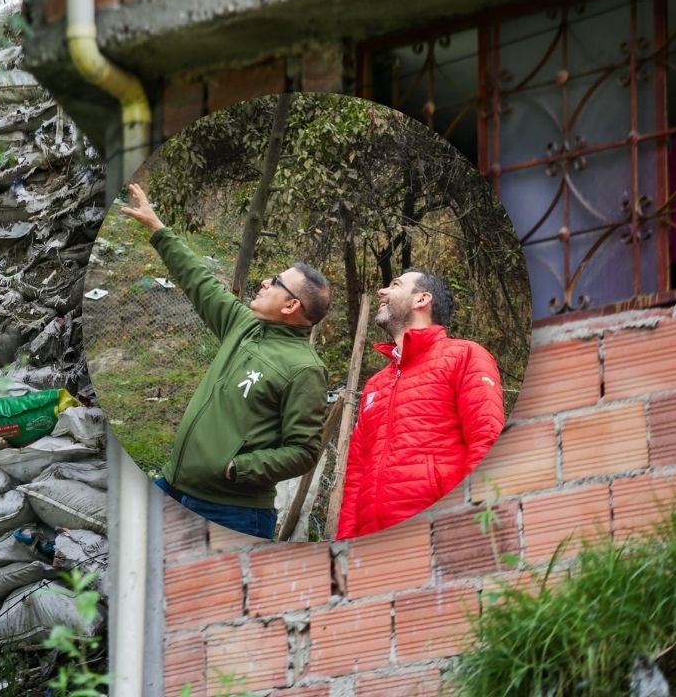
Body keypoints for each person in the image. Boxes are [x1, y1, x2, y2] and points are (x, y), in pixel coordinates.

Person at [120, 183, 332, 539]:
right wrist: (158, 229)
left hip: (232, 513)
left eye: (277, 281)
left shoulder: (304, 368)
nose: (265, 281)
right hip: (173, 485)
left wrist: (238, 468)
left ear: (291, 305)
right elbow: (199, 281)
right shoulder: (243, 325)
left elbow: (304, 451)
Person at [336, 269, 506, 540]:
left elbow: (486, 442)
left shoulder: (466, 356)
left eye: (395, 285)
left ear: (421, 299)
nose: (382, 291)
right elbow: (356, 472)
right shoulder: (374, 385)